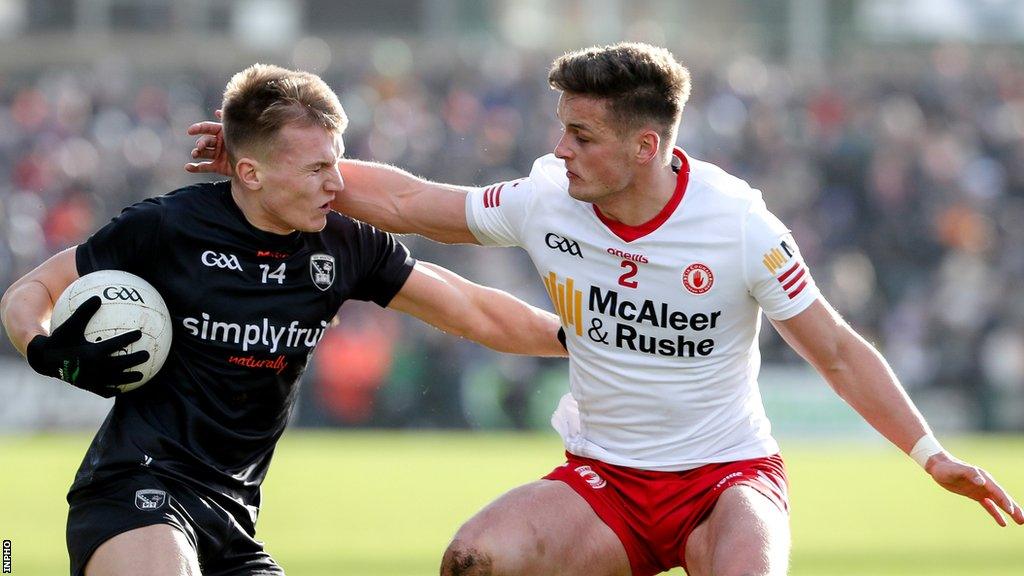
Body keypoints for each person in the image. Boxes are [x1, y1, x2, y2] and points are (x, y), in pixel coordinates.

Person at [186, 44, 1023, 576]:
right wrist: (259, 152)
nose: (560, 150)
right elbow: (410, 202)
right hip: (605, 481)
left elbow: (836, 350)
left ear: (645, 147)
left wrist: (930, 453)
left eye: (582, 135)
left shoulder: (740, 227)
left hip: (724, 480)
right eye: (563, 130)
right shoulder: (548, 199)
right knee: (473, 560)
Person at [0, 63, 567, 576]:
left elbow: (473, 309)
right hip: (137, 489)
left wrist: (589, 340)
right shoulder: (168, 226)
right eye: (317, 168)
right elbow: (32, 289)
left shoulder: (346, 246)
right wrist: (43, 348)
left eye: (337, 162)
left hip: (234, 519)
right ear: (249, 172)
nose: (339, 185)